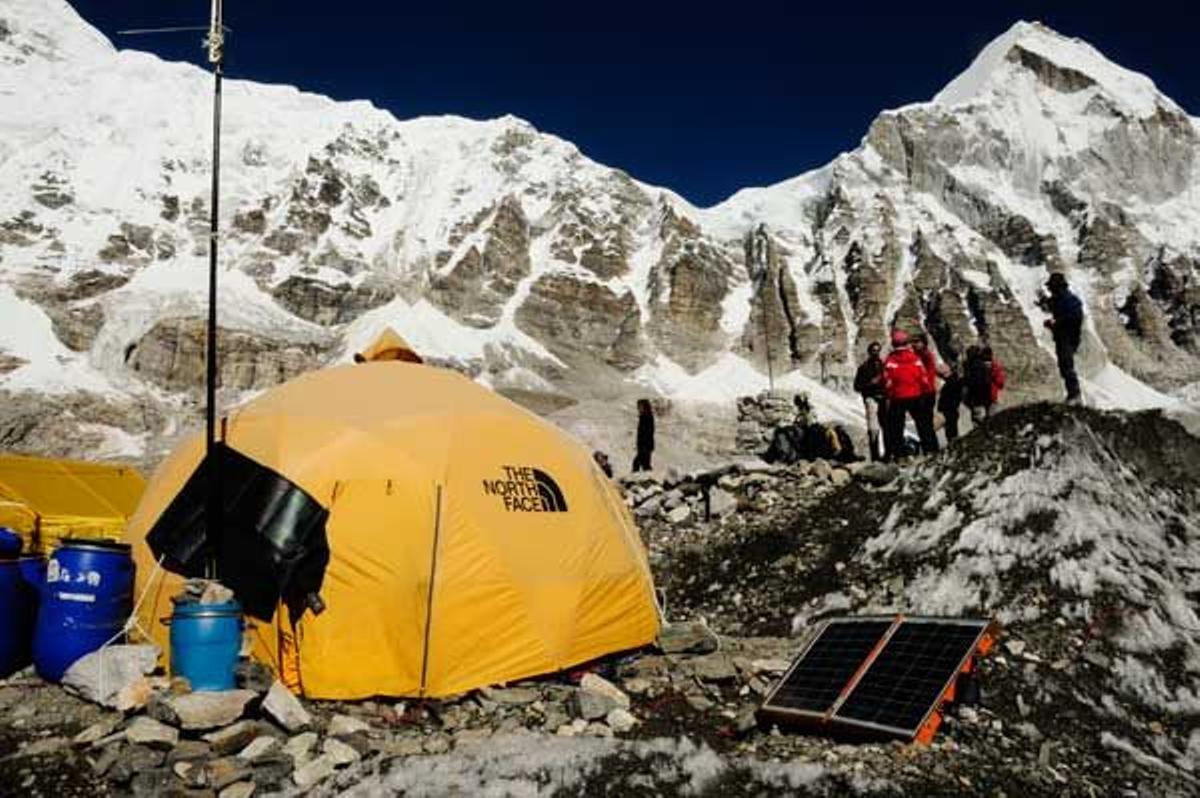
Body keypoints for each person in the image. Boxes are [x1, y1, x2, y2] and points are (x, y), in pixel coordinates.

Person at [882, 330, 931, 461]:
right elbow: (923, 377)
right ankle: (929, 450)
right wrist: (924, 392)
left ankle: (899, 455)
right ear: (907, 343)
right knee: (923, 424)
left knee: (896, 427)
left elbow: (887, 381)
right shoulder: (915, 358)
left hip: (898, 397)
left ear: (893, 343)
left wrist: (889, 395)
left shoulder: (890, 360)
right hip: (916, 395)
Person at [1044, 272, 1084, 404]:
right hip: (1063, 337)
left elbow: (1074, 317)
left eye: (1052, 287)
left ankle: (1075, 395)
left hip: (1068, 337)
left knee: (1067, 365)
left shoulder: (1070, 300)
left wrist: (1056, 323)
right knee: (1064, 366)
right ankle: (1072, 394)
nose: (1050, 290)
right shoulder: (1060, 300)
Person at [909, 333, 943, 454]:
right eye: (913, 342)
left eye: (917, 342)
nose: (914, 344)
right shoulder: (917, 356)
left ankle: (931, 449)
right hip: (920, 392)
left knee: (925, 422)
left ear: (923, 343)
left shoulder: (925, 356)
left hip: (926, 392)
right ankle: (929, 448)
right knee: (922, 423)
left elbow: (925, 374)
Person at [853, 341, 886, 461]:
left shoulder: (884, 366)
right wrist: (871, 384)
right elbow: (856, 386)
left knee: (886, 426)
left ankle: (887, 454)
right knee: (873, 428)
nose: (876, 353)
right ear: (869, 352)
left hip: (884, 399)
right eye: (873, 351)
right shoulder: (863, 368)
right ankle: (875, 456)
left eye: (878, 350)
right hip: (871, 399)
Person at [963, 345, 1006, 423]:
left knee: (979, 421)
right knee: (992, 420)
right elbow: (1000, 383)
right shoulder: (994, 366)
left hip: (976, 398)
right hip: (990, 396)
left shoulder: (969, 366)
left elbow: (967, 382)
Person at [938, 357, 964, 443]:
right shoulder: (954, 380)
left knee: (951, 432)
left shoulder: (951, 383)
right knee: (952, 431)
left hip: (950, 410)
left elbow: (949, 398)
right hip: (951, 409)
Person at [632, 399, 655, 472]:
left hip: (645, 445)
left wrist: (644, 446)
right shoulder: (644, 416)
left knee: (638, 463)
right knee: (644, 464)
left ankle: (635, 478)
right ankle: (647, 478)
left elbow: (648, 432)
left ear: (645, 406)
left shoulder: (647, 417)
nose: (638, 408)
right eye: (638, 406)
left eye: (640, 406)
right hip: (644, 445)